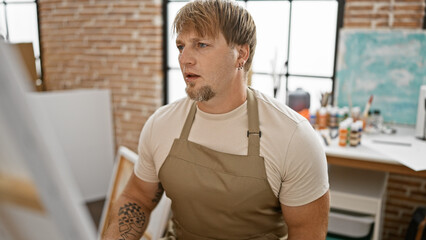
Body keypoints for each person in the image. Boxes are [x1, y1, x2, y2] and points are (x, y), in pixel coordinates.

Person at [103, 0, 329, 239]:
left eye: (201, 44)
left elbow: (307, 231)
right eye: (181, 47)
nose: (184, 59)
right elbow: (137, 198)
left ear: (241, 54)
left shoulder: (294, 137)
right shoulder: (161, 124)